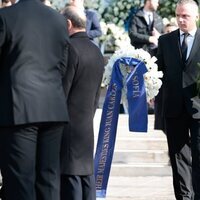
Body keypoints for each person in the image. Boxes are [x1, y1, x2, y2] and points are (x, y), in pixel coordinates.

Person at [0, 0, 69, 199]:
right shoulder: (59, 19)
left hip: (18, 108)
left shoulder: (5, 17)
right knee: (48, 180)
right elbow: (62, 66)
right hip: (53, 107)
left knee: (20, 181)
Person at [156, 0, 200, 199]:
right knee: (178, 157)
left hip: (199, 108)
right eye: (178, 15)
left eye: (186, 16)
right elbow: (158, 72)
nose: (181, 20)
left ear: (196, 17)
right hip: (173, 107)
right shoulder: (166, 41)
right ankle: (184, 197)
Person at [60, 5, 104, 200]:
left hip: (67, 125)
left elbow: (62, 90)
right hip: (86, 122)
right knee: (86, 176)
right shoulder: (96, 51)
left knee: (71, 177)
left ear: (68, 23)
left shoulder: (69, 48)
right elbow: (96, 96)